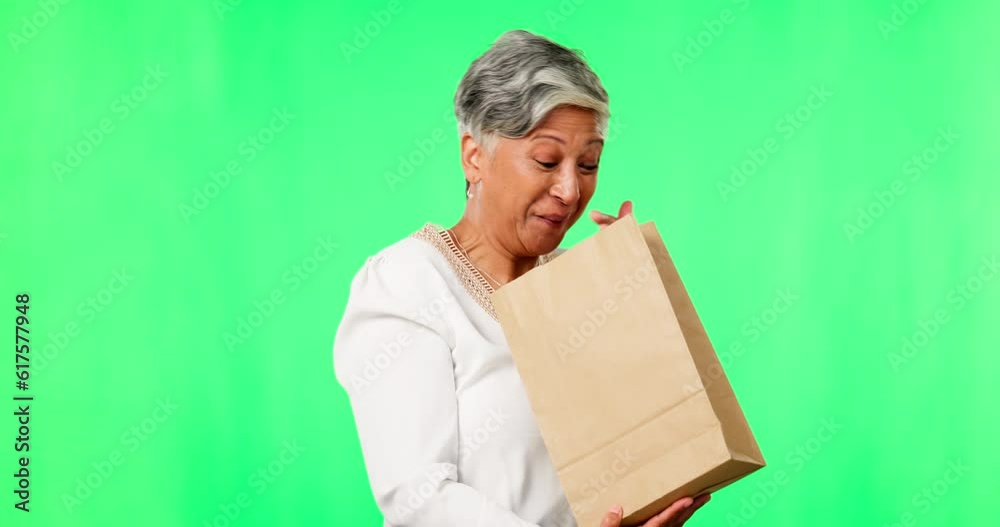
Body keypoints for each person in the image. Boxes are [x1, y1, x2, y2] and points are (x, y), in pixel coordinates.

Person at [333, 29, 711, 526]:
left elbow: (647, 445)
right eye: (547, 161)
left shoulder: (576, 288)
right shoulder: (407, 285)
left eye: (589, 163)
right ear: (474, 155)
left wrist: (632, 297)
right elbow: (419, 498)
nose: (571, 190)